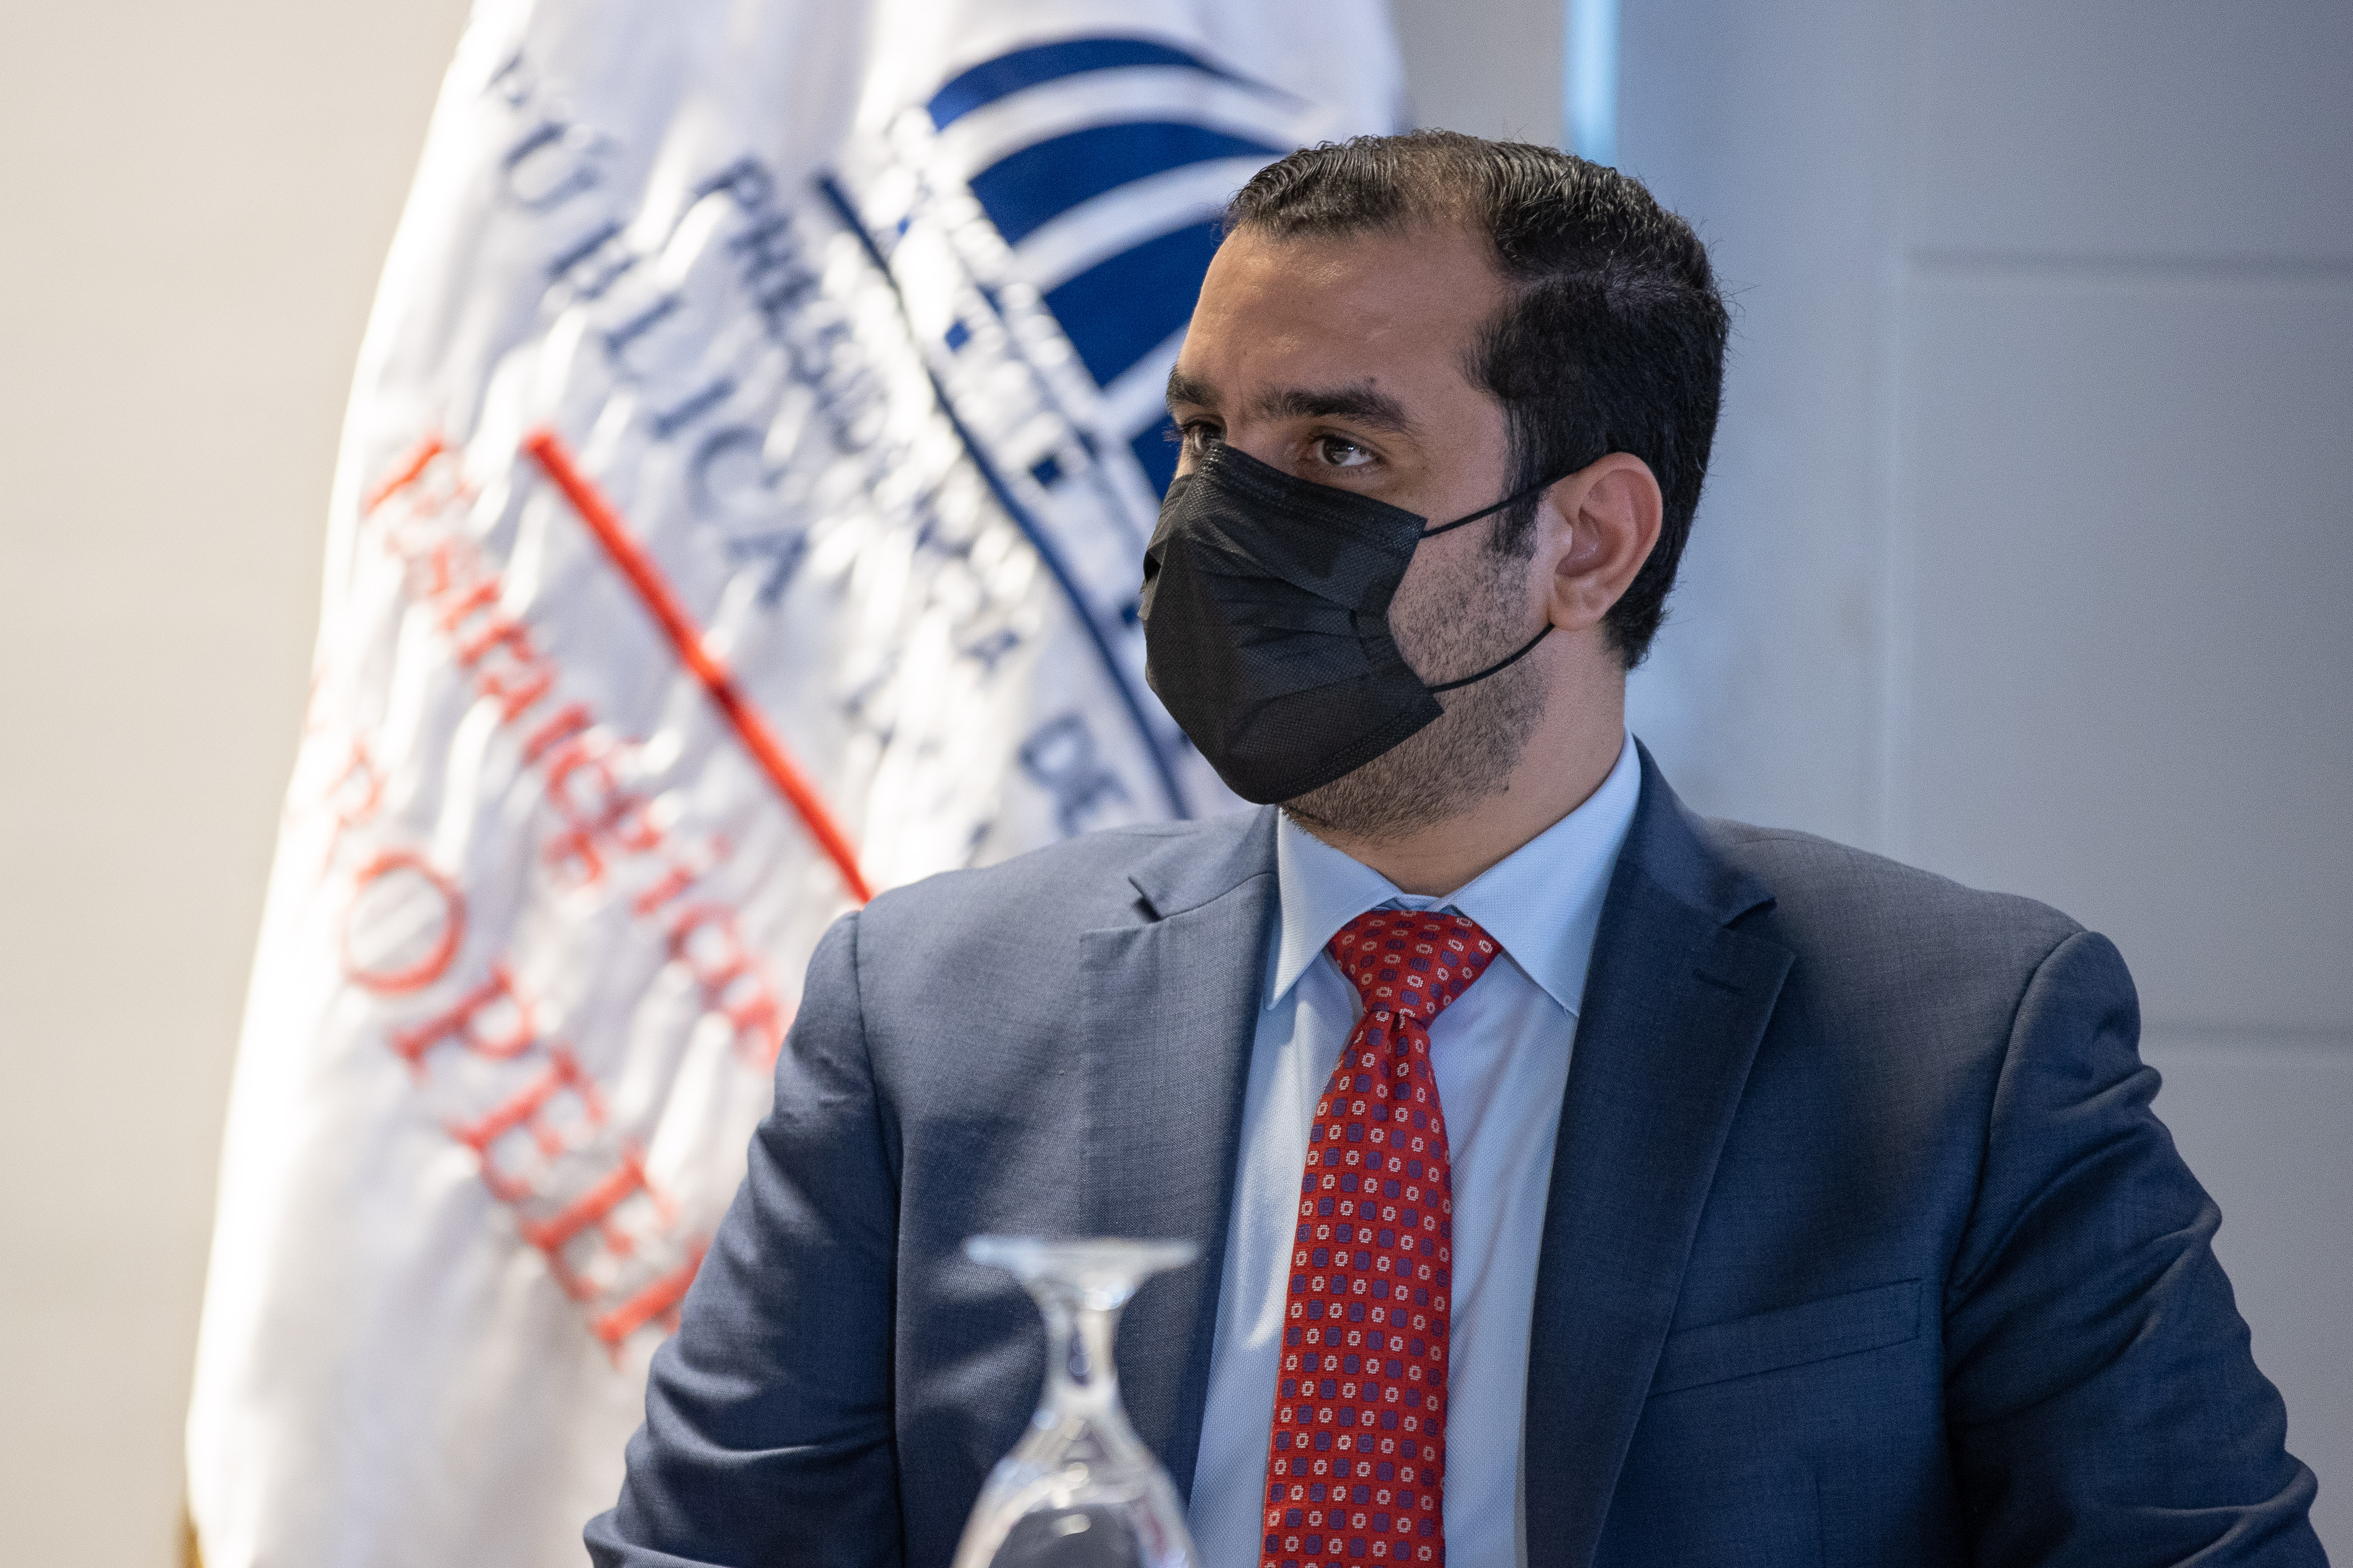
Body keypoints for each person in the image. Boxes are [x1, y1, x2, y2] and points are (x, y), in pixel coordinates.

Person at [586, 133, 2324, 1568]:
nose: (1217, 524)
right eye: (1204, 438)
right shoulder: (928, 1015)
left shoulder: (1964, 1048)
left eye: (1336, 450)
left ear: (1588, 543)